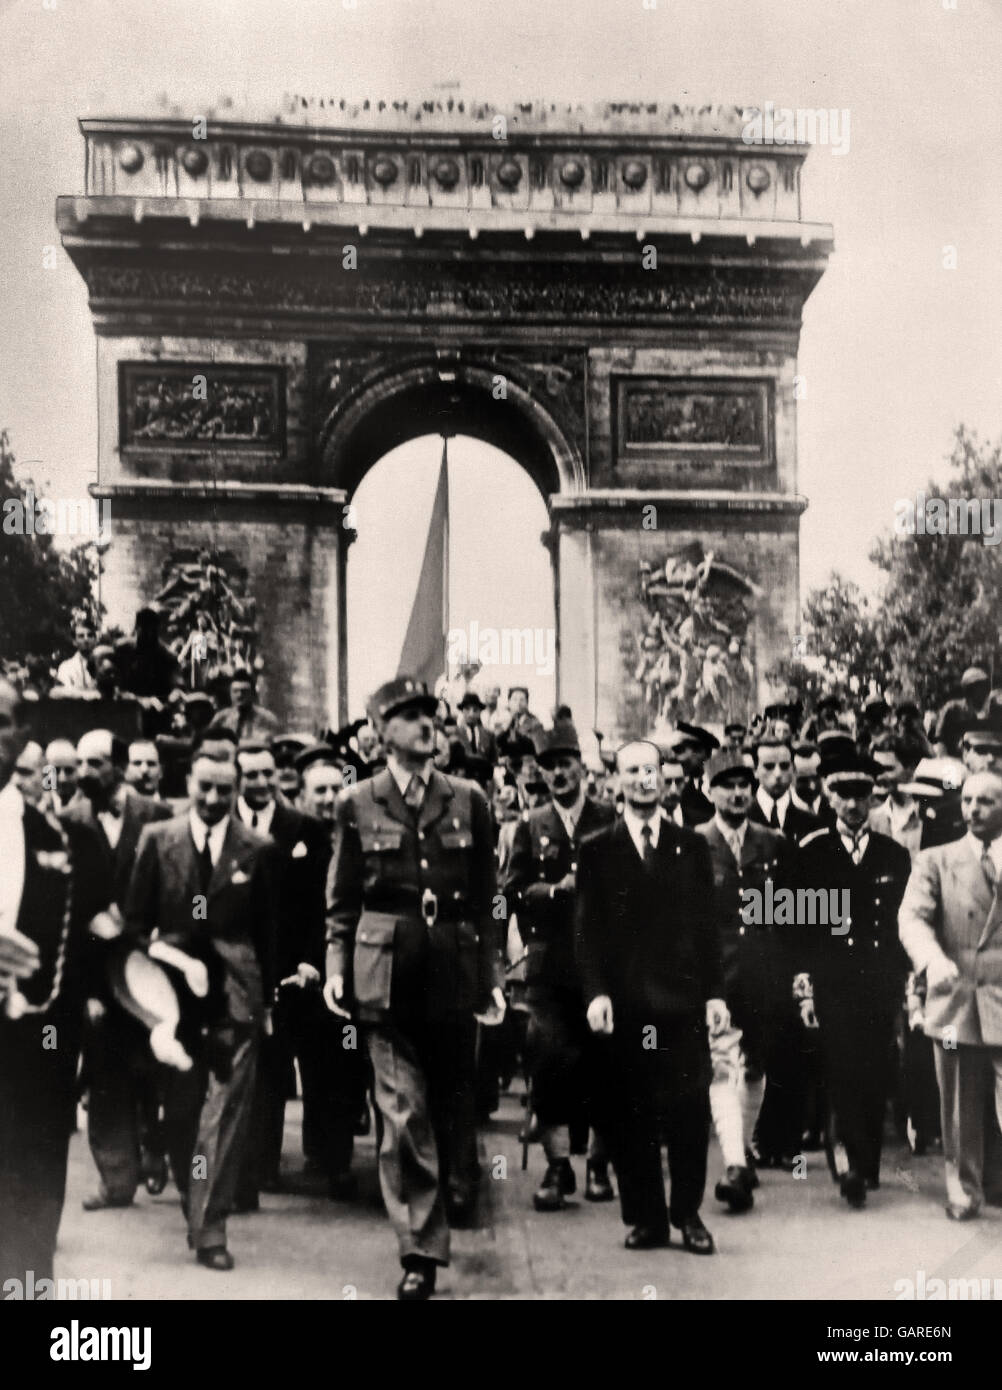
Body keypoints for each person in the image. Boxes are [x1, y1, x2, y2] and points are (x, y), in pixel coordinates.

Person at [324, 676, 505, 1300]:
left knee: (454, 1101)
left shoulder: (469, 799)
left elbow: (486, 900)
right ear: (381, 732)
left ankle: (460, 1185)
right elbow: (342, 902)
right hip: (385, 975)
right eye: (409, 715)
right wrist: (335, 967)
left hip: (452, 968)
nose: (427, 724)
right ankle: (419, 1251)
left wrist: (492, 978)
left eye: (430, 713)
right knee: (402, 1114)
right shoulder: (357, 802)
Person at [124, 734, 277, 1269]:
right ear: (188, 784)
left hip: (234, 996)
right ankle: (196, 1199)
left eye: (224, 790)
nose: (214, 799)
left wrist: (267, 1001)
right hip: (172, 997)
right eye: (205, 788)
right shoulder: (155, 839)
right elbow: (134, 927)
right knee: (183, 1113)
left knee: (225, 1114)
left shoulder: (256, 850)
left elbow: (267, 931)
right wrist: (163, 962)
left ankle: (210, 1230)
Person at [575, 740, 727, 1254]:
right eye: (632, 771)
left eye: (651, 770)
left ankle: (687, 1213)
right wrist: (595, 992)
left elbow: (710, 929)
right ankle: (645, 1218)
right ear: (615, 780)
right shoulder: (597, 849)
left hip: (681, 1005)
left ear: (665, 778)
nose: (643, 779)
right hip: (625, 1007)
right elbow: (587, 931)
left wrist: (715, 995)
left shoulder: (691, 847)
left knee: (688, 1111)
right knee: (629, 1112)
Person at [0, 677, 111, 1285]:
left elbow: (98, 933)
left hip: (32, 1052)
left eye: (2, 722)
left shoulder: (61, 842)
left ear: (20, 736)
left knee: (29, 1197)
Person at [501, 720, 616, 1211]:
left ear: (582, 769)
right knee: (547, 1058)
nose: (557, 775)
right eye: (548, 768)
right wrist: (552, 892)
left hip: (604, 962)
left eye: (565, 765)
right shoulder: (531, 825)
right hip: (549, 961)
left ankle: (597, 1164)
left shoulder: (610, 818)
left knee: (606, 1061)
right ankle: (556, 1167)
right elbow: (510, 892)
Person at [232, 742, 351, 1206]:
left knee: (329, 1064)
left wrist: (312, 962)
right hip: (259, 971)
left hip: (307, 972)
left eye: (267, 775)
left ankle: (330, 1159)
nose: (260, 783)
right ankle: (261, 1166)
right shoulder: (232, 828)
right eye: (251, 775)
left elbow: (326, 904)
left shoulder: (305, 830)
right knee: (268, 1072)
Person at [794, 751, 912, 1209]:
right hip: (833, 981)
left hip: (880, 981)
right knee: (840, 1068)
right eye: (843, 794)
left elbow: (905, 926)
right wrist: (804, 986)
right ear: (829, 795)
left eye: (862, 794)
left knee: (875, 1069)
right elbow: (797, 928)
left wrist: (905, 984)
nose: (853, 804)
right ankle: (849, 1165)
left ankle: (869, 1162)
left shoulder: (894, 856)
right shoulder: (812, 854)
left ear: (873, 797)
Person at [65, 730, 173, 1211]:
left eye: (94, 764)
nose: (83, 773)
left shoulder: (156, 817)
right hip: (93, 969)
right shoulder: (68, 820)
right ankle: (116, 1178)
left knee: (150, 1066)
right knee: (104, 1070)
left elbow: (176, 890)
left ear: (120, 766)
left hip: (147, 962)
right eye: (80, 764)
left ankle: (155, 1146)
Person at [898, 769, 1002, 1220]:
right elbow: (912, 919)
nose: (973, 810)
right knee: (958, 1105)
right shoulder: (936, 860)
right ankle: (963, 1190)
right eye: (968, 801)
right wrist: (930, 959)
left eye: (986, 801)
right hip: (956, 994)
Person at [696, 749, 794, 1211]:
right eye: (726, 785)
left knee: (755, 1064)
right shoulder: (694, 844)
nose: (737, 794)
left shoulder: (773, 843)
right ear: (709, 790)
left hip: (763, 973)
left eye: (743, 785)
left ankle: (746, 1148)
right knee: (723, 1062)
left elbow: (792, 912)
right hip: (714, 974)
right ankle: (734, 1162)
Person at [749, 736, 821, 842]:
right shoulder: (741, 818)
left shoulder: (811, 823)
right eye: (769, 766)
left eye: (784, 766)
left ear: (793, 768)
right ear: (755, 770)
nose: (778, 774)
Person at [208, 669, 279, 743]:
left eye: (244, 692)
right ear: (230, 694)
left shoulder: (267, 719)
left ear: (252, 694)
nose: (239, 695)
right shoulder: (221, 719)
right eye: (235, 691)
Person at [54, 620, 97, 692]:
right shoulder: (66, 667)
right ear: (74, 642)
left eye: (90, 635)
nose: (86, 639)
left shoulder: (104, 663)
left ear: (95, 639)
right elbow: (65, 693)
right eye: (81, 636)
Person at [455, 690, 498, 763]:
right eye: (467, 709)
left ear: (480, 711)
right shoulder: (455, 733)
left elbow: (494, 760)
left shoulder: (489, 734)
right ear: (462, 711)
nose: (471, 714)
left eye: (475, 710)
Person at [44, 738, 82, 814]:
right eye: (55, 771)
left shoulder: (90, 809)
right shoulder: (39, 809)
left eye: (69, 771)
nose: (62, 779)